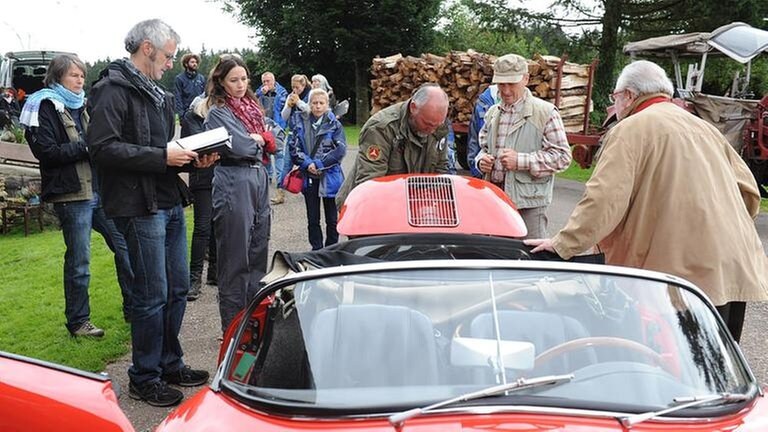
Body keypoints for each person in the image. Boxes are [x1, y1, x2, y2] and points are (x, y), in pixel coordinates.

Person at [526, 60, 768, 342]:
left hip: (680, 280)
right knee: (722, 371)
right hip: (734, 267)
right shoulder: (706, 129)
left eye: (614, 97)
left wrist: (564, 244)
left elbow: (604, 200)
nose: (614, 105)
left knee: (677, 373)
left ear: (628, 95)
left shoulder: (630, 129)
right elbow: (749, 192)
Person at [87, 19, 214, 407]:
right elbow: (103, 148)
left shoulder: (157, 93)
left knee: (176, 290)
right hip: (138, 207)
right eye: (169, 55)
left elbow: (163, 152)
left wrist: (194, 160)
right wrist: (163, 156)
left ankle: (168, 362)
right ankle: (144, 375)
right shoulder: (110, 90)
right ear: (147, 48)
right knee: (151, 295)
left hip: (168, 201)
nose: (172, 64)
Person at [21, 54, 133, 337]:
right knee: (80, 262)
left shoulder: (83, 104)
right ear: (58, 77)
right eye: (74, 75)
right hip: (72, 195)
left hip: (99, 190)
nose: (80, 80)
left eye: (82, 74)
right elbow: (46, 152)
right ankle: (78, 322)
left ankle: (135, 308)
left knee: (126, 248)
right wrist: (87, 146)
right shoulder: (42, 105)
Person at [204, 55, 276, 333]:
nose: (240, 85)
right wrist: (260, 140)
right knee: (235, 259)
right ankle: (233, 329)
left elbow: (276, 139)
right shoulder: (218, 113)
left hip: (259, 177)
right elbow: (240, 148)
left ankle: (253, 321)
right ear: (221, 81)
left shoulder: (253, 107)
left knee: (258, 251)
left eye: (244, 79)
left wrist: (261, 139)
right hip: (234, 179)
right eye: (233, 80)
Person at [475, 53, 571, 239]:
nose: (506, 90)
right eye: (501, 84)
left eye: (512, 83)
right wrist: (481, 161)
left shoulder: (546, 112)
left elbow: (563, 158)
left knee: (529, 260)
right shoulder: (493, 112)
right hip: (495, 199)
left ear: (525, 79)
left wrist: (520, 160)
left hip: (529, 204)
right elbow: (483, 148)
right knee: (495, 256)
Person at [335, 83, 450, 207]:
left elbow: (440, 170)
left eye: (437, 125)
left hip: (412, 206)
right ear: (413, 107)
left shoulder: (437, 125)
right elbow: (370, 182)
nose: (432, 130)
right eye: (427, 123)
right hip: (366, 205)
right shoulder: (381, 128)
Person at [288, 88, 346, 250]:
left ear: (327, 104)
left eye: (321, 103)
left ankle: (331, 249)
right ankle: (317, 249)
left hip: (331, 176)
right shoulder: (300, 122)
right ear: (309, 104)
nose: (318, 106)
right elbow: (294, 148)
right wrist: (308, 164)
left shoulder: (335, 124)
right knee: (312, 219)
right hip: (309, 178)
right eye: (314, 103)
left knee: (332, 219)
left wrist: (320, 164)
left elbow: (340, 150)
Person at [181, 94, 217, 301]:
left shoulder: (225, 111)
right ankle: (194, 278)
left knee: (218, 225)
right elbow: (191, 146)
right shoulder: (192, 117)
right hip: (202, 178)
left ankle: (215, 271)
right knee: (202, 227)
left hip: (221, 176)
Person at [256, 71, 289, 204]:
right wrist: (260, 94)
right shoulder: (260, 91)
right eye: (264, 81)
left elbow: (286, 109)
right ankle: (268, 176)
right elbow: (252, 101)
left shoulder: (282, 93)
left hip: (278, 127)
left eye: (268, 81)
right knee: (266, 152)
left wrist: (282, 125)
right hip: (264, 126)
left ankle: (280, 180)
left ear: (273, 80)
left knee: (279, 153)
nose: (265, 84)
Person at [466, 84, 499, 178]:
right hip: (485, 173)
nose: (506, 90)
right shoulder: (483, 102)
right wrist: (476, 169)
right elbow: (474, 139)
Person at [173, 53, 206, 119]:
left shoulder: (201, 78)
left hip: (199, 112)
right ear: (186, 64)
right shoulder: (179, 79)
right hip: (186, 113)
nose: (195, 64)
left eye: (196, 62)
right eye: (192, 62)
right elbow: (177, 97)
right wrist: (181, 115)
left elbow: (204, 95)